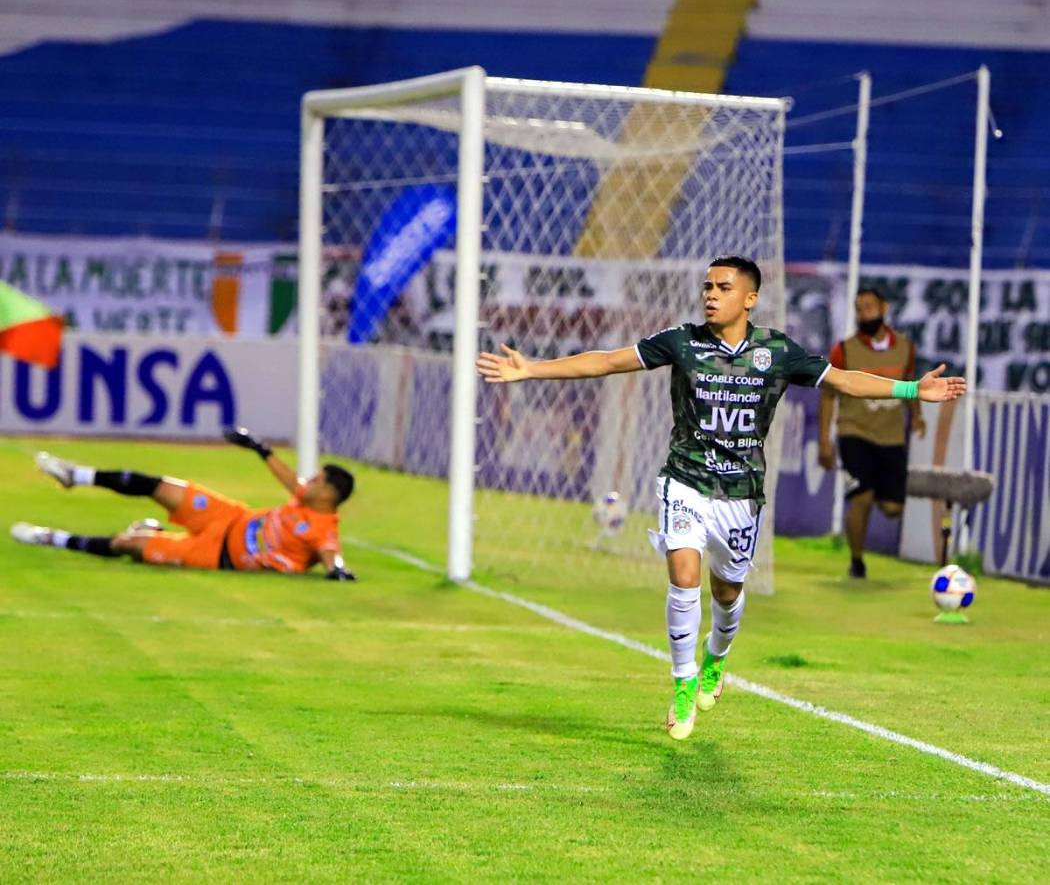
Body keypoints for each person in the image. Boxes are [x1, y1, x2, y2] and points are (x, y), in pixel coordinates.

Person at [476, 256, 965, 742]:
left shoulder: (776, 351)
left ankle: (716, 656)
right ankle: (683, 681)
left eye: (723, 287)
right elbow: (607, 361)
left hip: (741, 493)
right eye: (707, 286)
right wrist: (531, 370)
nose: (711, 294)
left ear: (750, 299)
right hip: (685, 480)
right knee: (683, 573)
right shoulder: (681, 342)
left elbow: (842, 379)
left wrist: (911, 389)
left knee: (727, 593)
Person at [10, 428, 357, 580]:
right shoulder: (305, 499)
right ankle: (76, 475)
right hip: (230, 516)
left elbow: (331, 554)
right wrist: (258, 447)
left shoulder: (323, 528)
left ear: (329, 494)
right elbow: (288, 479)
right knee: (160, 486)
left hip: (217, 555)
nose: (307, 482)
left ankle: (49, 537)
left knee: (129, 545)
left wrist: (337, 570)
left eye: (316, 480)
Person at [818, 287, 924, 579]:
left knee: (892, 508)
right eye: (859, 308)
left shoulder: (905, 348)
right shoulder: (844, 350)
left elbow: (911, 383)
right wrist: (824, 441)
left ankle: (873, 487)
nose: (864, 314)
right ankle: (857, 561)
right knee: (861, 498)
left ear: (884, 308)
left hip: (891, 436)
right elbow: (828, 396)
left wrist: (917, 415)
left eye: (869, 307)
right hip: (854, 431)